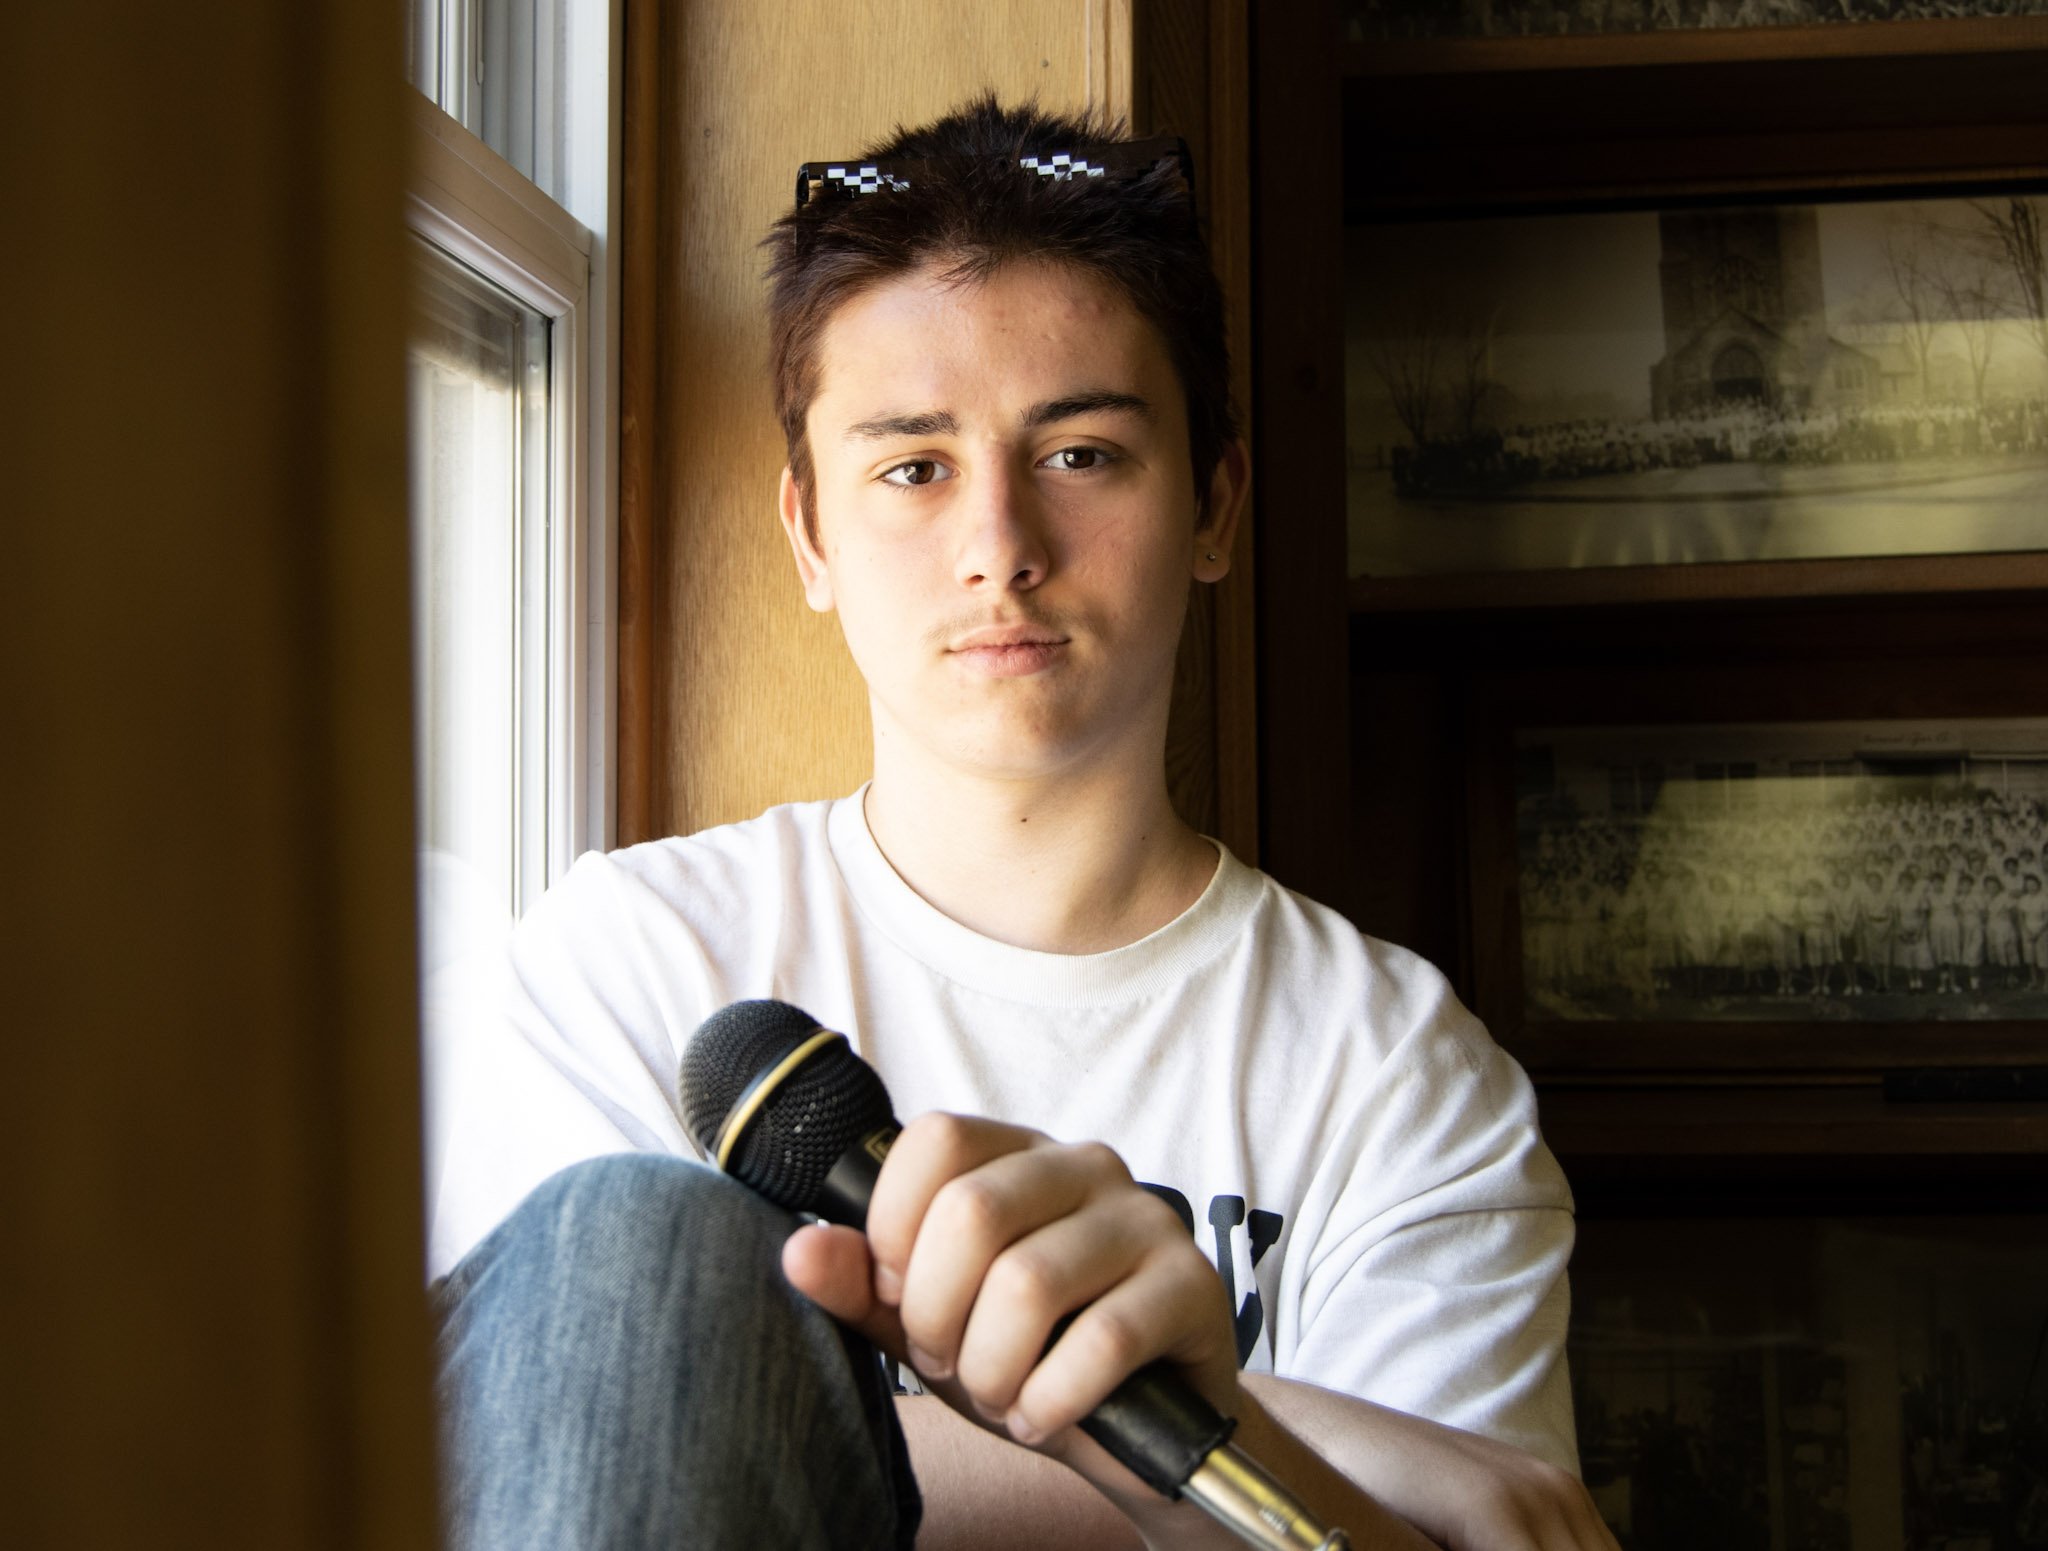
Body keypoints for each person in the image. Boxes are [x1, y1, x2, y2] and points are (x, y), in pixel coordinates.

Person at [425, 97, 1608, 1551]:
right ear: (812, 534)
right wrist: (1279, 1436)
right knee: (644, 1251)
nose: (1000, 548)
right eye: (912, 468)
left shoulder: (1396, 1076)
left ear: (1216, 506)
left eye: (1082, 454)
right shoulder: (635, 963)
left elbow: (1490, 1535)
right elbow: (564, 1438)